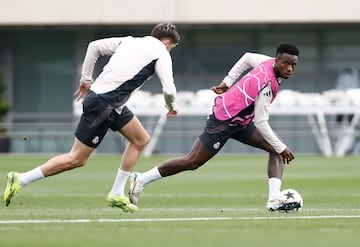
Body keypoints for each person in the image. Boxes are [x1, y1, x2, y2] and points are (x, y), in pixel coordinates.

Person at [3, 22, 180, 212]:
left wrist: (86, 80)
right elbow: (169, 89)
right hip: (105, 104)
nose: (170, 51)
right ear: (167, 42)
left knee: (141, 139)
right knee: (77, 158)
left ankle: (116, 193)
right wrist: (171, 106)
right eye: (172, 48)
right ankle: (21, 178)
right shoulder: (161, 53)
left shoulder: (128, 41)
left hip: (110, 103)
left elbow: (94, 46)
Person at [128, 42, 299, 211]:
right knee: (192, 161)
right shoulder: (267, 84)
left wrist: (227, 82)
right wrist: (281, 148)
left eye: (294, 65)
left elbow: (247, 58)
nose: (290, 68)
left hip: (241, 121)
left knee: (275, 148)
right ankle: (141, 179)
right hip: (223, 122)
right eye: (286, 63)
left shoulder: (266, 62)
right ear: (276, 60)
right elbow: (261, 122)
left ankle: (273, 200)